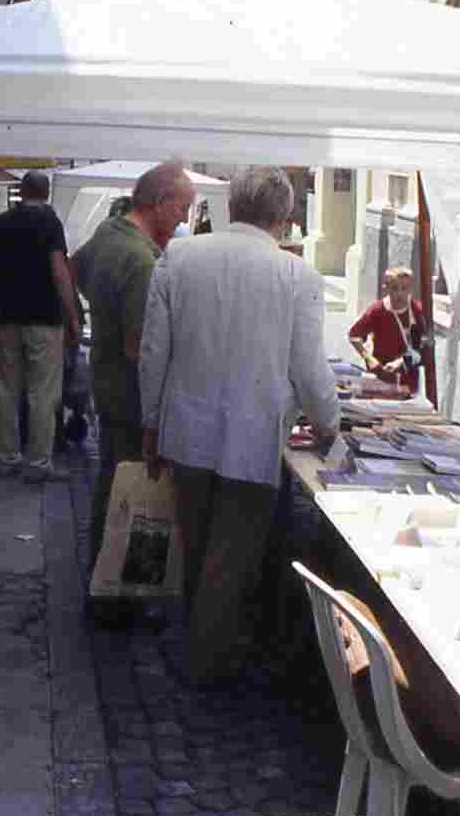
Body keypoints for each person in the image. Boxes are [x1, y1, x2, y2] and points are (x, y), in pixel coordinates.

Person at [140, 166, 339, 685]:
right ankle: (210, 659)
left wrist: (151, 424)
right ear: (285, 217)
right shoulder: (296, 276)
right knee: (232, 552)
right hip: (252, 434)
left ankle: (202, 647)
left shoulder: (179, 257)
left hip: (188, 426)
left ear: (232, 205)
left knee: (198, 540)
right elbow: (309, 367)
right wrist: (329, 422)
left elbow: (154, 352)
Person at [72, 161, 197, 570]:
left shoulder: (110, 231)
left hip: (107, 381)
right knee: (128, 493)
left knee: (112, 481)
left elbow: (75, 268)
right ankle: (114, 591)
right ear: (161, 202)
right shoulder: (142, 260)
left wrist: (96, 313)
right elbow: (139, 349)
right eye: (183, 208)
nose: (184, 218)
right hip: (129, 395)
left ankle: (100, 578)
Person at [0, 170, 81, 481]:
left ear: (21, 191)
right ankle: (38, 464)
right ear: (47, 192)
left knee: (6, 391)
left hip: (7, 320)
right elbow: (59, 272)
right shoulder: (50, 224)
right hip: (44, 321)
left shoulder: (0, 224)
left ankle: (7, 458)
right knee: (42, 394)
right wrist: (73, 318)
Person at [346, 266, 428, 395]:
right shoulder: (377, 310)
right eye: (394, 288)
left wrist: (400, 362)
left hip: (409, 377)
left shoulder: (416, 311)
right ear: (386, 288)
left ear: (411, 289)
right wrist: (368, 358)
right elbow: (354, 335)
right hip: (381, 374)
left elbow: (419, 345)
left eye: (404, 289)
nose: (399, 294)